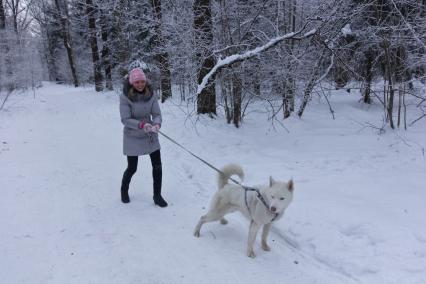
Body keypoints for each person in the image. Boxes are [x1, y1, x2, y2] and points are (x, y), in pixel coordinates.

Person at [119, 67, 168, 207]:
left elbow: (157, 114)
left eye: (142, 81)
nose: (140, 84)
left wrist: (157, 124)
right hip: (133, 136)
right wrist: (142, 125)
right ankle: (124, 189)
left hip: (150, 135)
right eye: (137, 82)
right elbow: (125, 119)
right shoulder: (125, 97)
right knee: (132, 168)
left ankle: (157, 196)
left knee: (157, 166)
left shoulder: (151, 94)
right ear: (131, 83)